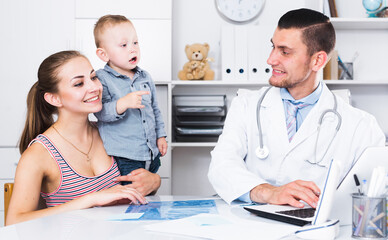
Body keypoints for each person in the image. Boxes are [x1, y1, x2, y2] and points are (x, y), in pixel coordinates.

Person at [208, 8, 385, 208]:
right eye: (273, 47)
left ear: (317, 60)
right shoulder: (246, 105)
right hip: (250, 227)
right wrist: (268, 192)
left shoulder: (362, 126)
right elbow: (221, 166)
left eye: (284, 52)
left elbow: (375, 191)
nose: (271, 60)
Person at [6, 51, 150, 226]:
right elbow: (14, 221)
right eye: (79, 83)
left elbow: (132, 186)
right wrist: (90, 200)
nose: (95, 87)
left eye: (94, 77)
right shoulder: (39, 154)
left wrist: (152, 182)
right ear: (54, 98)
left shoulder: (111, 133)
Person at [93, 15, 167, 187]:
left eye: (135, 43)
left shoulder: (145, 76)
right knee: (131, 197)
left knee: (147, 193)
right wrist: (123, 103)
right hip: (125, 156)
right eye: (124, 45)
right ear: (103, 54)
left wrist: (161, 136)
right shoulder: (102, 79)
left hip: (150, 153)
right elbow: (100, 112)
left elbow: (155, 109)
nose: (133, 49)